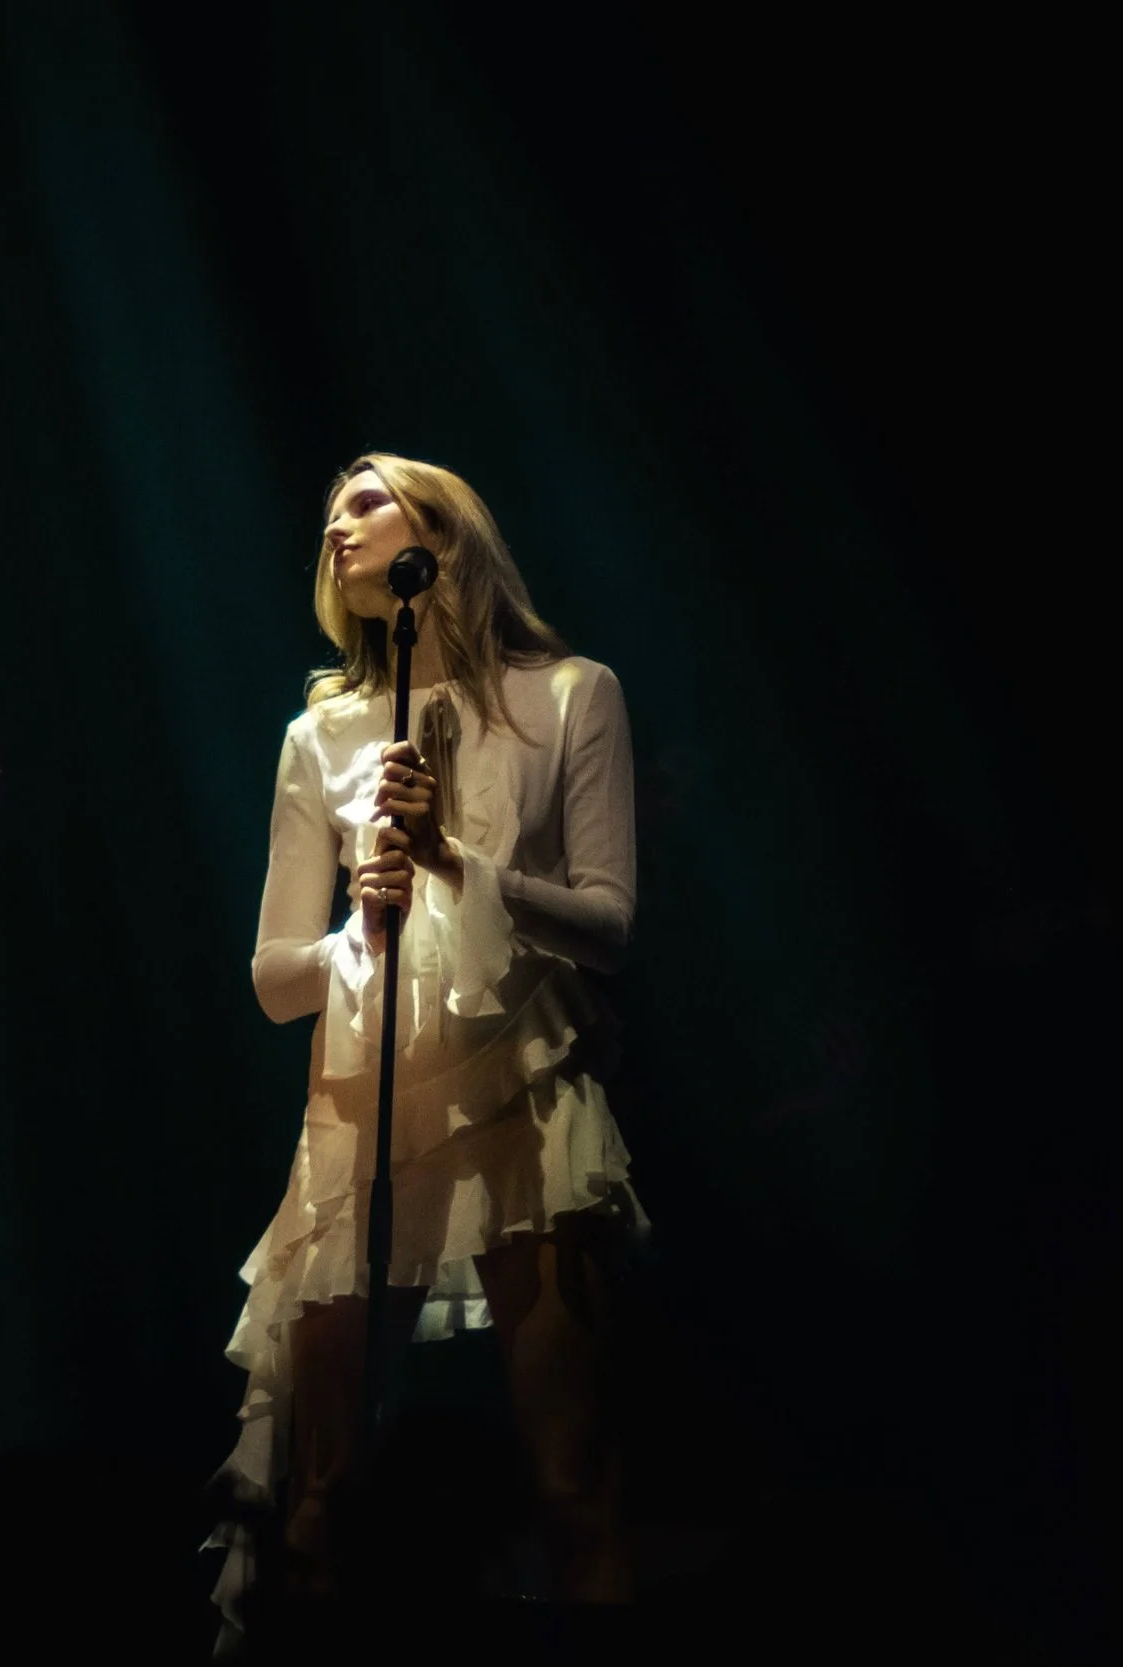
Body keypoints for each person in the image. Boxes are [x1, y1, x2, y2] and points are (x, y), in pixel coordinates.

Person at [207, 452, 644, 1640]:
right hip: (362, 1106)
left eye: (363, 502)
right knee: (317, 1492)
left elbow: (609, 926)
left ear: (441, 532)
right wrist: (359, 920)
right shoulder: (320, 734)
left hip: (525, 1090)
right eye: (327, 515)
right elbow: (273, 981)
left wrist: (455, 859)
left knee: (571, 1474)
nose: (335, 529)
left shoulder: (572, 693)